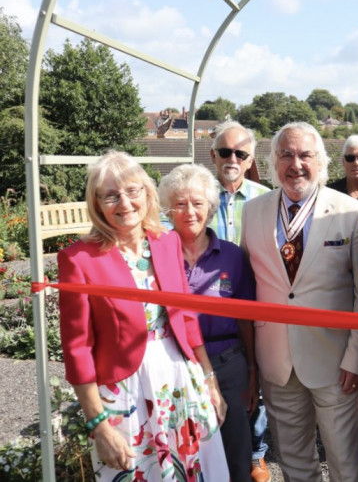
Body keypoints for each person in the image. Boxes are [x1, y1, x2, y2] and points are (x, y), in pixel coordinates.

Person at [57, 151, 229, 480]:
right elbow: (77, 349)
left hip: (180, 381)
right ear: (96, 202)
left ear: (147, 193)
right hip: (124, 392)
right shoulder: (78, 259)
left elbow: (187, 318)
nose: (124, 203)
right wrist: (99, 424)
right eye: (111, 195)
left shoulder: (166, 242)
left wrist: (210, 381)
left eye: (132, 190)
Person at [241, 122, 358, 482]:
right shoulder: (252, 212)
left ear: (321, 162)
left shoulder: (352, 212)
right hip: (277, 360)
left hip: (335, 362)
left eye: (305, 155)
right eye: (286, 154)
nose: (295, 164)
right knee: (294, 461)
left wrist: (357, 356)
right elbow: (249, 286)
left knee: (346, 462)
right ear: (273, 161)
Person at [159, 164, 257, 482]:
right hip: (176, 365)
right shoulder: (156, 256)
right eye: (181, 203)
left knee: (236, 453)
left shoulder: (232, 256)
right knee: (183, 452)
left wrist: (252, 371)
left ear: (211, 208)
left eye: (198, 203)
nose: (190, 211)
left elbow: (246, 317)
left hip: (228, 363)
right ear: (168, 209)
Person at [208, 120, 271, 481]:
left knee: (256, 374)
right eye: (226, 151)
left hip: (255, 300)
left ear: (250, 160)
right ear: (213, 156)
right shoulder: (199, 195)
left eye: (241, 153)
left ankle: (256, 453)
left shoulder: (264, 199)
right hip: (211, 306)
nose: (232, 158)